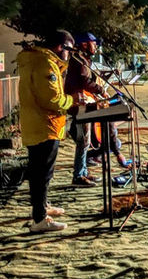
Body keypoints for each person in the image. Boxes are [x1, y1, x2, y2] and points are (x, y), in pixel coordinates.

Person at [17, 30, 75, 232]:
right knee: (42, 173)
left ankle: (42, 206)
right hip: (45, 125)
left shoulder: (35, 60)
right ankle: (40, 219)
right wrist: (72, 101)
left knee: (40, 171)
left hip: (36, 124)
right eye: (69, 50)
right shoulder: (45, 63)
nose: (70, 54)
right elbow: (52, 99)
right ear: (60, 47)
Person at [65, 32, 108, 187]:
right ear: (84, 44)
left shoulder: (82, 59)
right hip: (80, 104)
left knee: (85, 140)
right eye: (93, 43)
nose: (95, 46)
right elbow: (85, 81)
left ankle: (83, 171)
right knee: (83, 141)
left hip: (83, 103)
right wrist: (100, 90)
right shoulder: (79, 60)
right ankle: (78, 175)